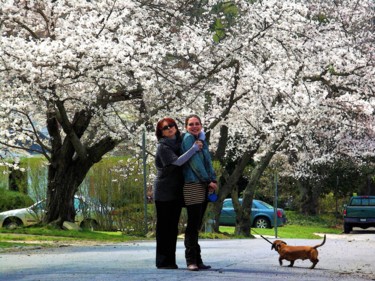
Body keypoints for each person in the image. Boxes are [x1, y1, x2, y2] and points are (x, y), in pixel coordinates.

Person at [153, 117, 203, 269]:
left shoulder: (180, 140)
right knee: (164, 227)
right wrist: (194, 149)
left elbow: (197, 133)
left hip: (178, 189)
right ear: (160, 132)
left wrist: (200, 136)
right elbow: (177, 162)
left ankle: (172, 260)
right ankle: (163, 261)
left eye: (172, 125)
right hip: (164, 191)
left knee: (173, 227)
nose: (169, 128)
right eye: (165, 128)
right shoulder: (163, 147)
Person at [181, 114, 218, 271]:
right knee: (192, 225)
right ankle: (191, 260)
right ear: (186, 127)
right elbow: (194, 163)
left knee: (196, 225)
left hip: (204, 184)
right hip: (193, 185)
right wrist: (206, 180)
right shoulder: (188, 139)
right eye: (191, 124)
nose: (194, 126)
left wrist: (213, 180)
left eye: (197, 124)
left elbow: (208, 161)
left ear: (201, 125)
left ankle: (198, 259)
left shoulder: (202, 140)